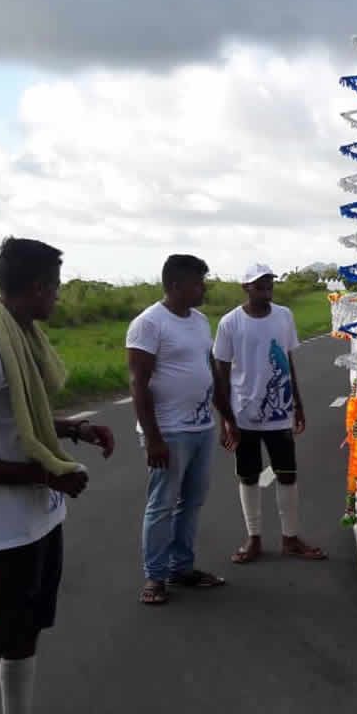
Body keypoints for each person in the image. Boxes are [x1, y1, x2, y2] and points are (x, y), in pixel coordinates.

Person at [0, 237, 115, 714]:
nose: (58, 297)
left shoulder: (20, 339)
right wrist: (45, 476)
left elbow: (15, 419)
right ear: (37, 288)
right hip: (0, 537)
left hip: (40, 523)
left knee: (24, 633)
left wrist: (74, 430)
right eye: (55, 288)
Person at [127, 254, 231, 605]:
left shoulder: (200, 322)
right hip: (169, 432)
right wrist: (153, 437)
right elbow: (138, 385)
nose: (204, 287)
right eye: (198, 282)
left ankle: (181, 568)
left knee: (192, 503)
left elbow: (212, 373)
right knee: (162, 506)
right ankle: (154, 577)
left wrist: (227, 418)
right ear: (175, 285)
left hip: (202, 428)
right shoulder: (149, 324)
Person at [212, 263, 325, 563]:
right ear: (245, 288)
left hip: (279, 413)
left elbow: (287, 360)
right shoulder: (230, 323)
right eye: (259, 287)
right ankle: (253, 538)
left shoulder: (284, 316)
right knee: (248, 477)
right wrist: (225, 419)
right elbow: (220, 373)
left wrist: (298, 404)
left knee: (287, 475)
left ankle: (290, 537)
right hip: (243, 414)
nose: (266, 292)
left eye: (269, 286)